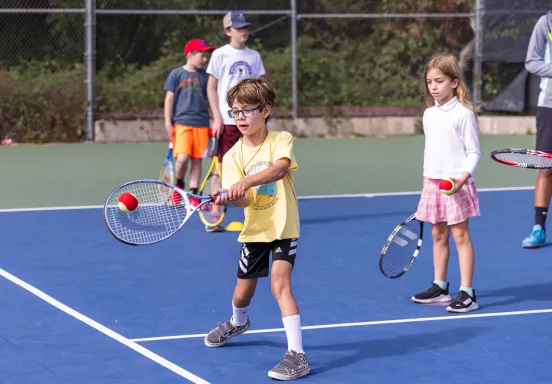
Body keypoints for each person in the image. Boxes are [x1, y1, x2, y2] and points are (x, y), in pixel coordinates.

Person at [204, 76, 310, 381]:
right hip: (255, 231)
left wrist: (244, 182)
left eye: (246, 111)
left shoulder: (281, 139)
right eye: (235, 112)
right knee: (242, 294)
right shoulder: (231, 156)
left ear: (265, 111)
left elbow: (279, 169)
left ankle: (297, 355)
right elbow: (246, 201)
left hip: (284, 226)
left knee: (280, 284)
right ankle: (238, 321)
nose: (240, 118)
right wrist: (233, 197)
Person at [411, 53, 482, 313]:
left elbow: (474, 152)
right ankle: (440, 287)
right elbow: (430, 152)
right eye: (429, 82)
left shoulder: (464, 115)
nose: (433, 86)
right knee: (437, 234)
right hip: (433, 183)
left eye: (439, 81)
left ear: (454, 82)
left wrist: (462, 179)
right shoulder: (429, 114)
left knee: (460, 236)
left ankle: (468, 292)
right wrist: (425, 183)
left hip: (456, 184)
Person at [163, 38, 214, 206]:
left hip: (202, 124)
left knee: (197, 160)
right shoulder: (176, 74)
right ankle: (178, 185)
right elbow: (169, 100)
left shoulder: (206, 77)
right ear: (190, 55)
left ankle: (193, 195)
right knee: (182, 159)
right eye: (202, 55)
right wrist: (168, 123)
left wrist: (215, 120)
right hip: (182, 123)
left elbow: (212, 99)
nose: (205, 59)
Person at [521, 11, 552, 249]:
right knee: (547, 169)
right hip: (549, 106)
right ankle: (538, 228)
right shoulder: (547, 22)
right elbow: (531, 61)